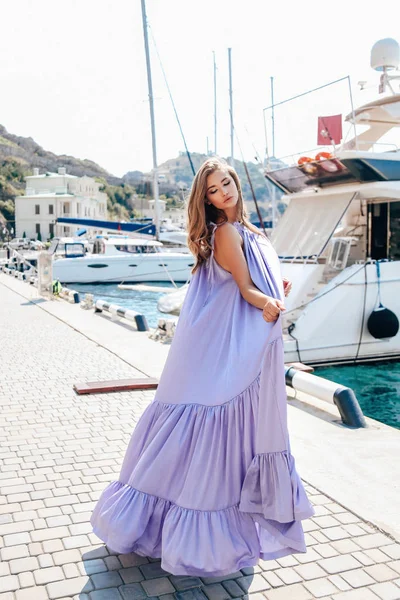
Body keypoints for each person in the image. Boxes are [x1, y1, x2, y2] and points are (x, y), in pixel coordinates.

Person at [91, 157, 314, 577]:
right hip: (222, 344)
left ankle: (155, 523)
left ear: (235, 183)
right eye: (213, 189)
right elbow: (245, 288)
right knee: (210, 427)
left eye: (226, 182)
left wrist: (272, 288)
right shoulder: (228, 231)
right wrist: (266, 300)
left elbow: (244, 279)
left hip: (217, 340)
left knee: (194, 431)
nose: (224, 191)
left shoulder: (247, 230)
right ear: (206, 199)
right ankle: (191, 534)